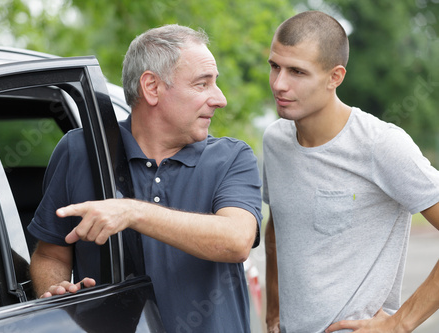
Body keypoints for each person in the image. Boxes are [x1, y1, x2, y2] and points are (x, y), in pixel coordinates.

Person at [28, 24, 263, 332]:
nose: (219, 99)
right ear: (152, 87)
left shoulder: (232, 158)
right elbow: (49, 254)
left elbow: (236, 240)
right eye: (202, 85)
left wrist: (132, 211)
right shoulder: (80, 151)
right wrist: (57, 292)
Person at [262, 10, 439, 333]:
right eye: (275, 66)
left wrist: (401, 323)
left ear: (335, 77)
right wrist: (273, 314)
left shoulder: (381, 145)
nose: (279, 84)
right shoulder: (275, 140)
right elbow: (278, 226)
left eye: (297, 72)